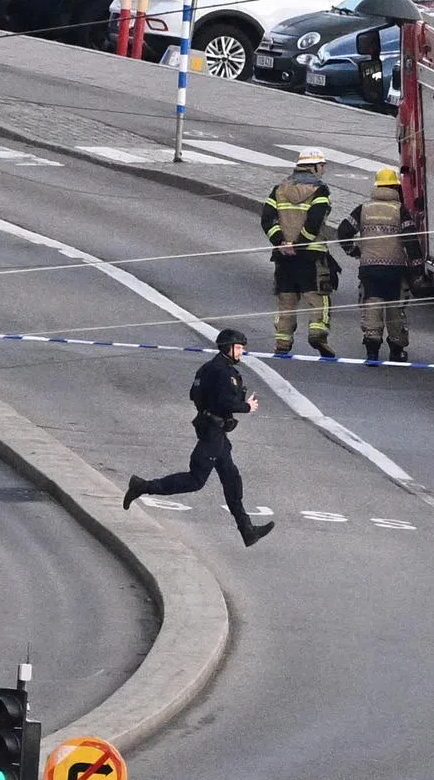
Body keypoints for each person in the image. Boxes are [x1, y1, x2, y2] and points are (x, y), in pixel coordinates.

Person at [122, 329, 274, 548]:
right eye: (239, 348)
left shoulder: (207, 368)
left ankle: (246, 530)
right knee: (196, 480)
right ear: (228, 348)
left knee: (231, 478)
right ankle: (142, 486)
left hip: (213, 430)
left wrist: (209, 410)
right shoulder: (223, 372)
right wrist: (246, 406)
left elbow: (194, 395)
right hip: (213, 432)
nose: (242, 352)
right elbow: (225, 402)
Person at [337, 167, 421, 362]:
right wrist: (417, 268)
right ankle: (397, 350)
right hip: (395, 269)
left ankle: (372, 351)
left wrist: (355, 251)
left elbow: (343, 232)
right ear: (395, 188)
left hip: (369, 268)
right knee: (394, 308)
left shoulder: (363, 209)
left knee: (372, 305)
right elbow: (412, 241)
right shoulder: (400, 211)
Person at [260, 148, 337, 357]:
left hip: (283, 256)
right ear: (314, 167)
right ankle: (317, 333)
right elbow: (315, 220)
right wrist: (299, 244)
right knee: (318, 297)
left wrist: (281, 242)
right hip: (311, 255)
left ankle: (282, 343)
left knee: (286, 298)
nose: (324, 170)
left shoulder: (279, 189)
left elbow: (267, 219)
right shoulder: (320, 191)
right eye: (322, 166)